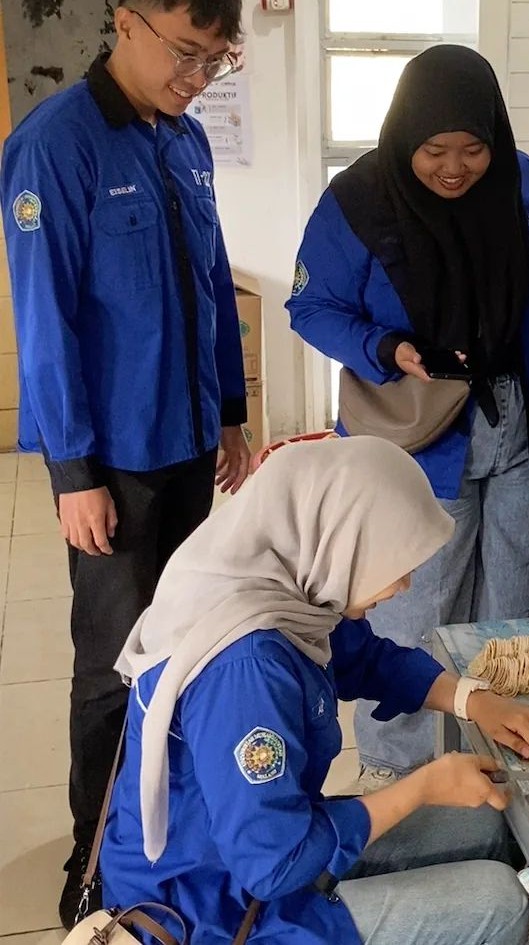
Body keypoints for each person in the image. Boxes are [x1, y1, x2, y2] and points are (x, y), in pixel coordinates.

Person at [287, 45, 529, 791]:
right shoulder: (358, 202)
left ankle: (506, 760)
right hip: (416, 437)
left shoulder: (526, 184)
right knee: (415, 611)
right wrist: (386, 347)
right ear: (405, 134)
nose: (454, 168)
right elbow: (310, 306)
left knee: (518, 603)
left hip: (521, 424)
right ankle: (399, 774)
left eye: (473, 149)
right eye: (434, 150)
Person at [101, 437, 529, 945]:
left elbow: (363, 658)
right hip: (214, 908)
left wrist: (473, 701)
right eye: (394, 563)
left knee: (488, 819)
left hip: (260, 850)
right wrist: (421, 787)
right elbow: (273, 864)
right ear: (342, 543)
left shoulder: (284, 591)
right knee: (498, 900)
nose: (404, 585)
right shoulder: (247, 668)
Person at [0, 0, 249, 925]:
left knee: (184, 647)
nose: (197, 78)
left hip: (188, 444)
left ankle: (170, 830)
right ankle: (95, 857)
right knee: (112, 667)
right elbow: (45, 324)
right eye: (186, 53)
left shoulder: (186, 140)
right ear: (124, 19)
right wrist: (74, 473)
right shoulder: (54, 146)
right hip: (113, 463)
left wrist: (230, 412)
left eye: (216, 60)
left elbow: (214, 280)